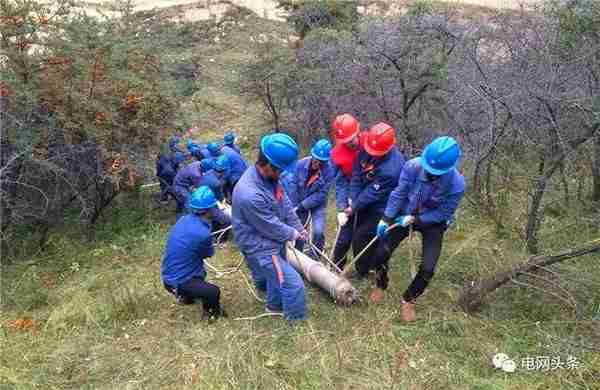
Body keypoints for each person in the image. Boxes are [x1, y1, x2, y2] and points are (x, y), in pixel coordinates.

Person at [370, 136, 465, 321]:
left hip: (433, 222)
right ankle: (381, 284)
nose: (430, 173)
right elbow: (399, 193)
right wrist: (387, 218)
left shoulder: (457, 184)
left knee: (428, 268)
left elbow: (444, 212)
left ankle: (409, 299)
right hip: (405, 214)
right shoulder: (412, 166)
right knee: (381, 254)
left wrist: (417, 220)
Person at [232, 133, 309, 321]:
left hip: (272, 240)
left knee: (278, 279)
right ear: (268, 165)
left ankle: (274, 305)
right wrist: (293, 233)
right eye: (280, 170)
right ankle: (296, 325)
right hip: (260, 247)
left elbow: (286, 205)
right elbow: (270, 226)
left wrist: (299, 227)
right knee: (293, 285)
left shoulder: (270, 178)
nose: (282, 174)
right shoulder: (250, 194)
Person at [346, 122, 406, 278]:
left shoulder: (392, 168)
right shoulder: (367, 147)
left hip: (383, 207)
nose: (371, 153)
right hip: (364, 202)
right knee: (361, 235)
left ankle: (364, 271)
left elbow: (372, 193)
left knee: (361, 236)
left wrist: (355, 206)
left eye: (376, 152)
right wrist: (352, 198)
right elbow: (357, 176)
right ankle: (368, 266)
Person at [161, 186, 229, 319]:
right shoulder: (202, 234)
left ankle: (186, 297)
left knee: (200, 272)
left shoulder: (184, 219)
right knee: (213, 292)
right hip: (178, 282)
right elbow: (208, 253)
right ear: (210, 209)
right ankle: (211, 315)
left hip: (167, 277)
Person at [330, 113, 366, 269]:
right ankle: (336, 266)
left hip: (369, 193)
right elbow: (340, 182)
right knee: (344, 237)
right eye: (345, 142)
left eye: (351, 140)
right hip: (350, 192)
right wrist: (341, 207)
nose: (350, 144)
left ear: (358, 132)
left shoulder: (370, 142)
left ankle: (363, 267)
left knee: (363, 236)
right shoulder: (337, 154)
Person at [288, 139, 334, 260]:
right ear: (312, 155)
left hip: (317, 205)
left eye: (321, 161)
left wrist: (303, 205)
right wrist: (294, 204)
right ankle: (298, 256)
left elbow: (322, 194)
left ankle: (315, 257)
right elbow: (293, 184)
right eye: (315, 158)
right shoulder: (300, 164)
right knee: (300, 229)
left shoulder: (329, 172)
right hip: (299, 202)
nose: (317, 162)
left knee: (318, 231)